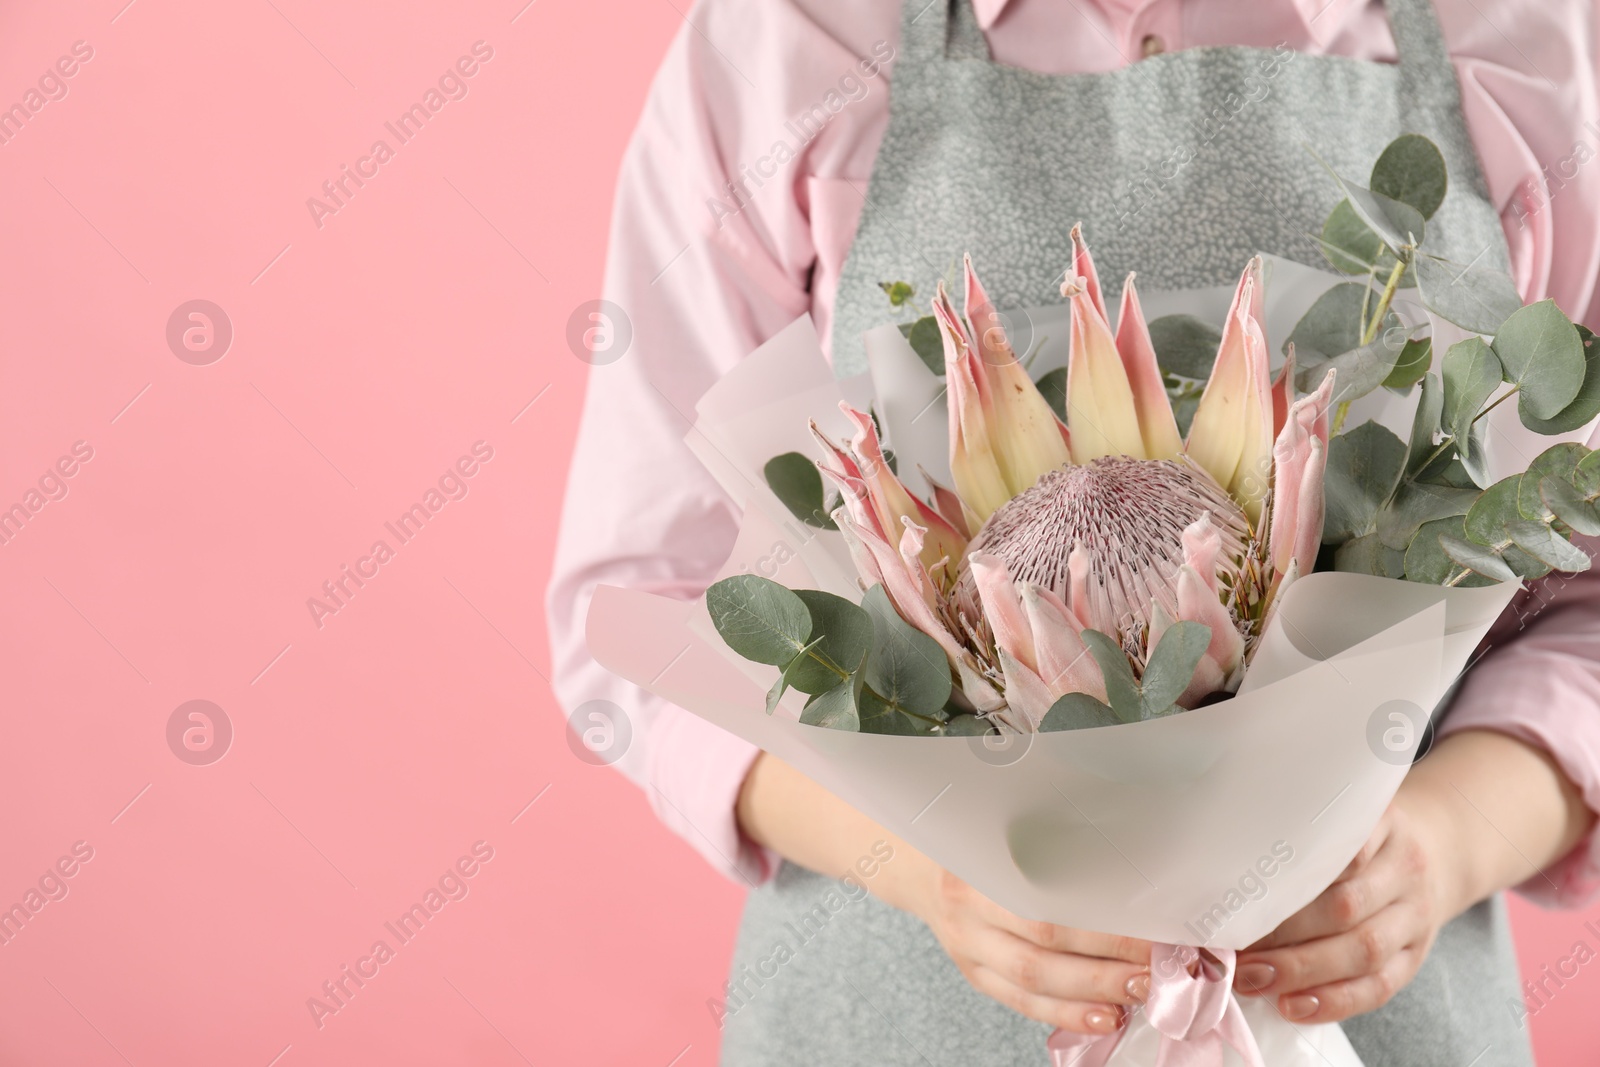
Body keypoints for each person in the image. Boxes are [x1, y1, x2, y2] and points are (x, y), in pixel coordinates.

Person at [548, 1, 1600, 1062]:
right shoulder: (794, 35)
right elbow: (650, 605)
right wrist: (927, 867)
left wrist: (1447, 837)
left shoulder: (1518, 34)